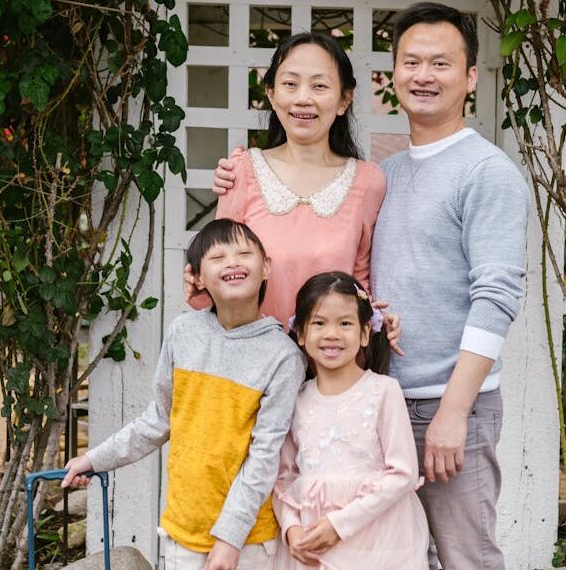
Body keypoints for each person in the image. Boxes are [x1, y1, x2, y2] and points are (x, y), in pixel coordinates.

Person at [213, 4, 530, 568]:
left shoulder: (487, 171)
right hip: (368, 397)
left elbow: (498, 295)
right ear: (393, 73)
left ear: (471, 78)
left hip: (443, 403)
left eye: (441, 63)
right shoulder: (389, 172)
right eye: (411, 61)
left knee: (465, 556)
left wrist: (454, 411)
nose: (424, 75)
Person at [62, 219, 306, 570]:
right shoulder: (183, 331)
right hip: (182, 529)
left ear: (265, 267)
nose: (233, 262)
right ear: (197, 277)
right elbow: (158, 420)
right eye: (218, 256)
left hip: (248, 541)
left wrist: (230, 537)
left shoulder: (282, 355)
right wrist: (94, 459)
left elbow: (264, 456)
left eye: (244, 253)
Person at [184, 32, 400, 352]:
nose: (303, 98)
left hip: (331, 371)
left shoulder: (368, 182)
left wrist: (380, 320)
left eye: (319, 85)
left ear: (344, 100)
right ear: (271, 94)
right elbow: (220, 267)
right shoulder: (242, 171)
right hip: (254, 367)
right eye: (290, 84)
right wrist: (201, 279)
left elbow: (360, 284)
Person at [273, 271, 428, 570]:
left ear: (365, 333)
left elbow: (403, 473)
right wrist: (290, 527)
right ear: (301, 334)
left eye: (345, 323)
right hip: (314, 545)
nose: (332, 334)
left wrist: (340, 525)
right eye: (319, 323)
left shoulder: (383, 391)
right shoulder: (296, 399)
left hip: (378, 542)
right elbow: (284, 477)